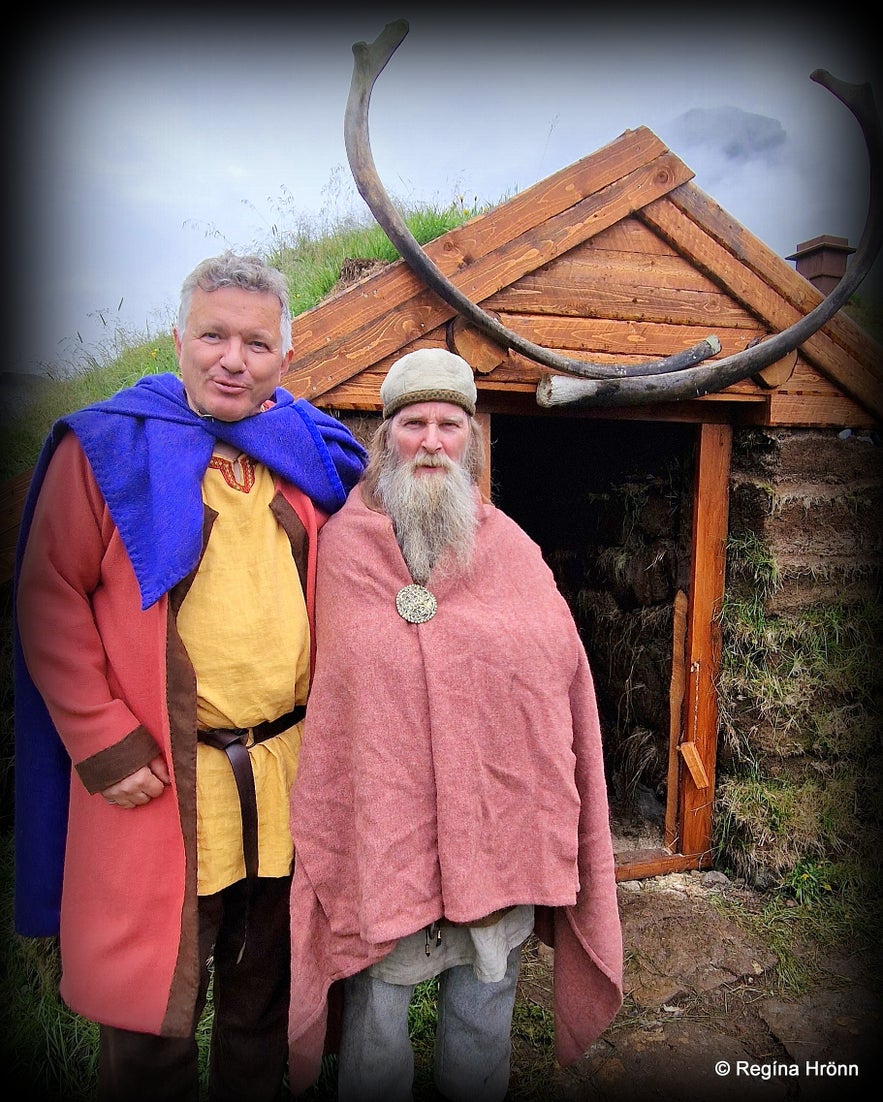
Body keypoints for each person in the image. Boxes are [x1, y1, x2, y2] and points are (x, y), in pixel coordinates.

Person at [13, 251, 367, 1102]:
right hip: (165, 775)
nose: (231, 359)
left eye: (255, 342)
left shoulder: (304, 450)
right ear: (179, 339)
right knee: (149, 1015)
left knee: (266, 995)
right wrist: (102, 741)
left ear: (284, 356)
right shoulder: (106, 447)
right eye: (213, 335)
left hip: (287, 771)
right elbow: (47, 595)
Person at [285, 347, 623, 1101]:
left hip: (495, 831)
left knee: (482, 1010)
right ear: (385, 437)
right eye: (413, 424)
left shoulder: (511, 551)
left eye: (448, 424)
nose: (431, 440)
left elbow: (555, 684)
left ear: (471, 439)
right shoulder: (338, 550)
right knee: (378, 1026)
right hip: (384, 837)